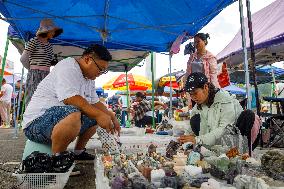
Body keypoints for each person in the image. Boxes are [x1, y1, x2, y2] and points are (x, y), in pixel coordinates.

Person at [22, 44, 121, 160]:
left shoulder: (88, 79)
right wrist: (99, 114)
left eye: (104, 71)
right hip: (36, 124)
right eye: (100, 69)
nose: (100, 73)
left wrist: (111, 116)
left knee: (94, 115)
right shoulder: (68, 67)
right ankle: (58, 160)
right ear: (88, 59)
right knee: (73, 113)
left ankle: (78, 152)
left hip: (55, 120)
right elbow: (70, 99)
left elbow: (95, 103)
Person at [179, 73, 261, 153]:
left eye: (195, 93)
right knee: (195, 119)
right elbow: (189, 131)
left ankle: (241, 155)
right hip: (213, 145)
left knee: (249, 115)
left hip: (233, 141)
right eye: (191, 94)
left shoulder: (225, 100)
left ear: (205, 87)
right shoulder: (196, 108)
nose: (193, 97)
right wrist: (185, 141)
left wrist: (198, 139)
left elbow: (224, 130)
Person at [20, 18, 63, 105]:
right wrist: (32, 69)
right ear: (47, 31)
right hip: (35, 74)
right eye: (53, 31)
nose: (54, 33)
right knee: (33, 100)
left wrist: (53, 63)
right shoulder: (34, 41)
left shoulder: (49, 45)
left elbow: (47, 61)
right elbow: (23, 59)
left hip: (46, 74)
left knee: (45, 101)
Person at [184, 33, 220, 109]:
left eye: (198, 41)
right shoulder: (192, 57)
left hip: (204, 89)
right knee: (196, 111)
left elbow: (213, 75)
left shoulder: (211, 57)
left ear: (205, 42)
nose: (196, 44)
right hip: (193, 89)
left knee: (206, 109)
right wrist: (186, 87)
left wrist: (213, 90)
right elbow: (187, 74)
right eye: (194, 42)